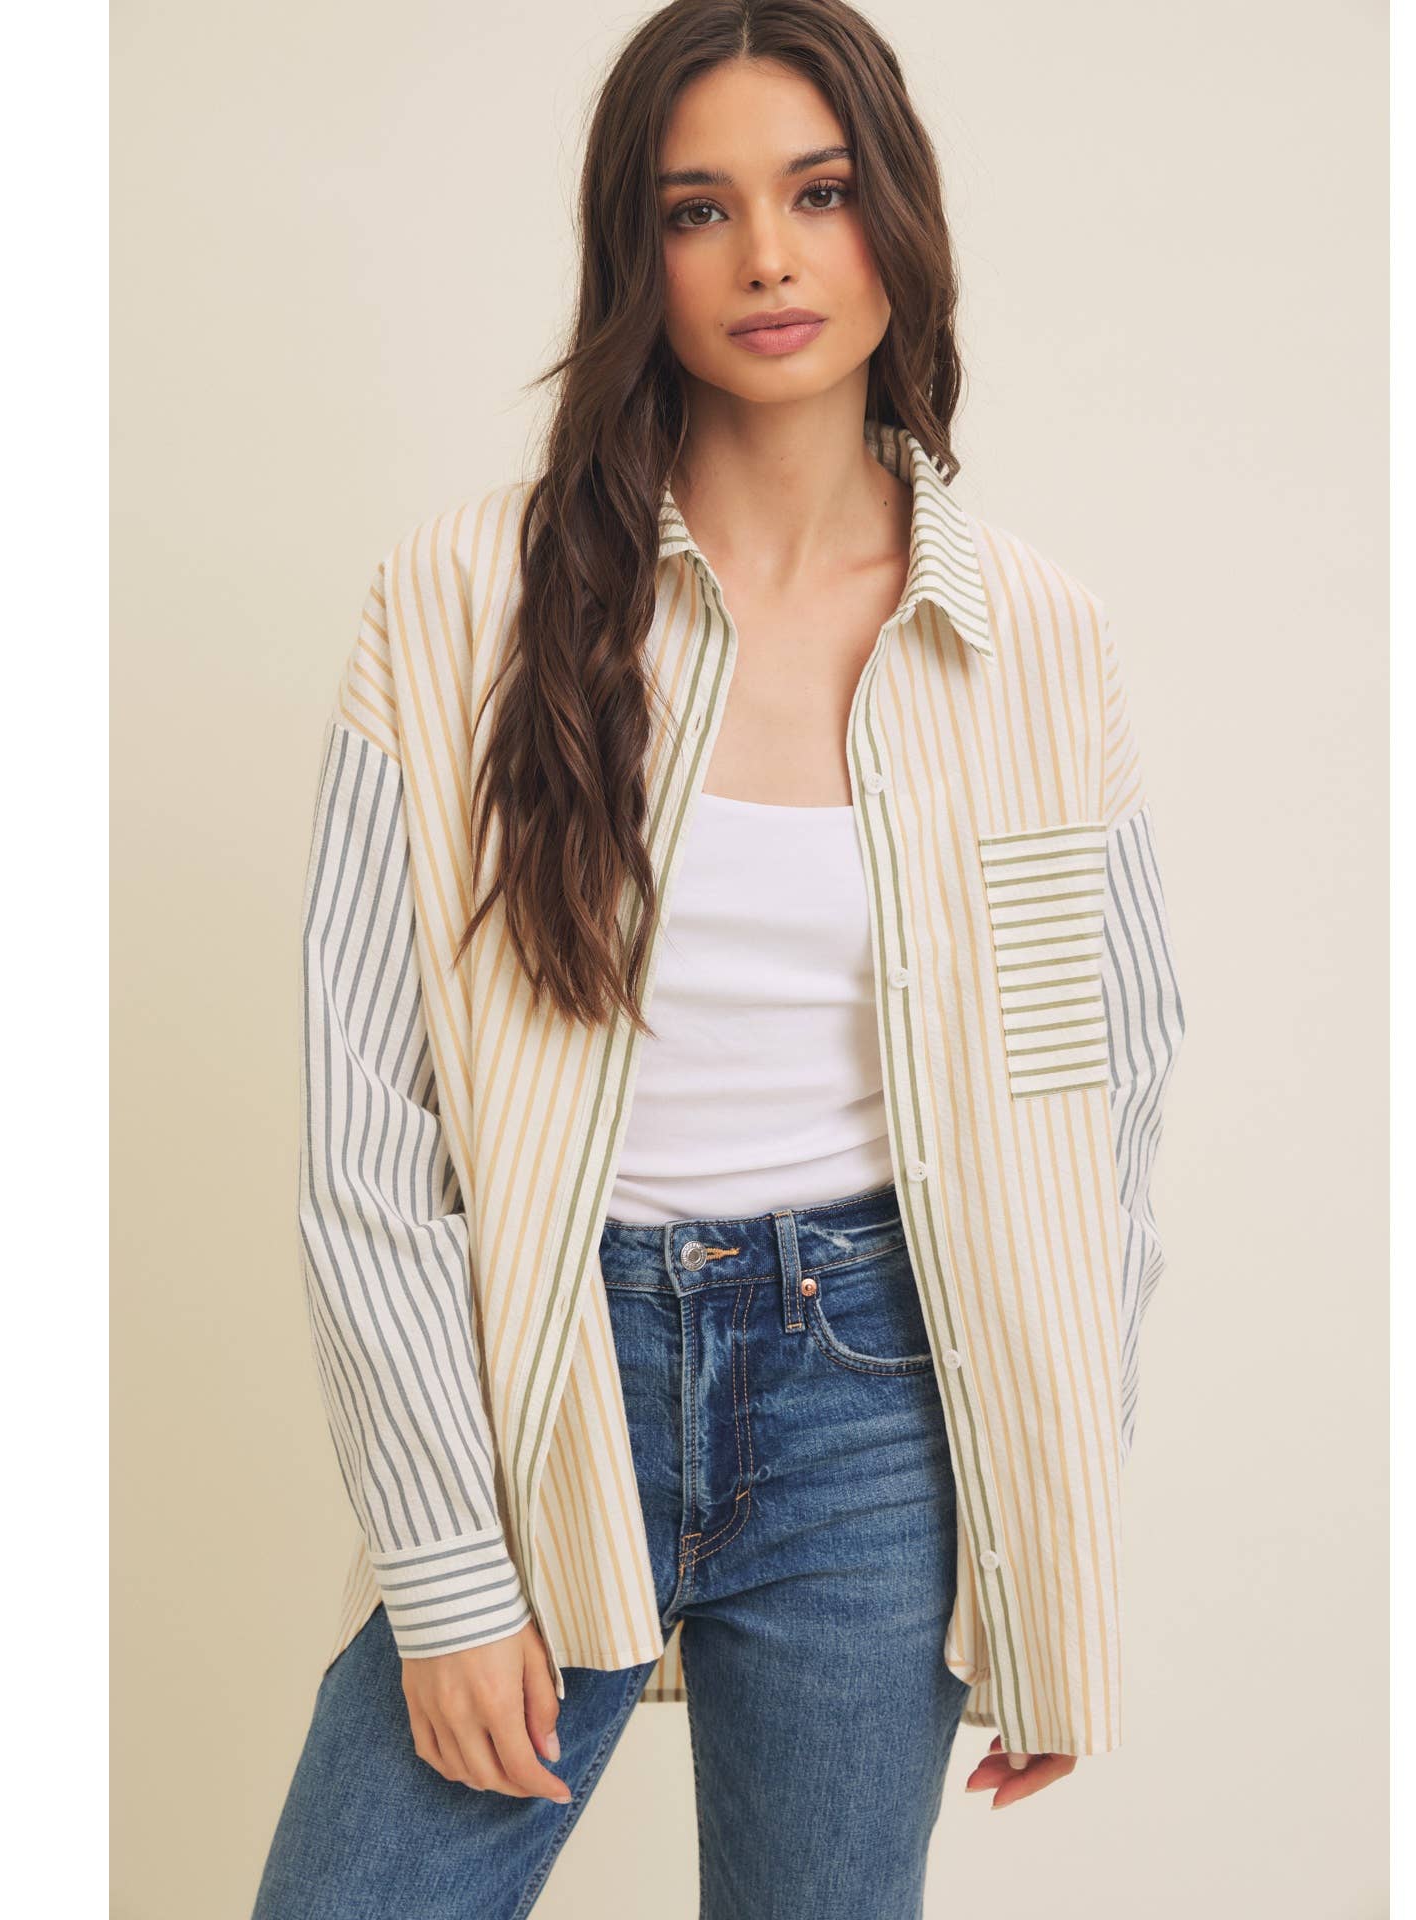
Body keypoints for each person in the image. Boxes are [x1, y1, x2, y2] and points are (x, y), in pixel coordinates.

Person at [251, 2, 1185, 1913]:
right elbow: (370, 1135)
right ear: (638, 255)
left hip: (878, 1400)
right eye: (701, 209)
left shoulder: (1036, 644)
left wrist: (1047, 1535)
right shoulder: (462, 600)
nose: (767, 254)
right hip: (553, 1380)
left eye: (818, 193)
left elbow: (1093, 1113)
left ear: (895, 222)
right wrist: (446, 1571)